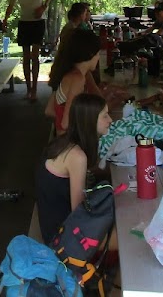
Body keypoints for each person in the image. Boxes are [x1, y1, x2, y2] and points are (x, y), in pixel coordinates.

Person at [35, 92, 113, 243]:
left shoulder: (65, 142)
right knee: (126, 237)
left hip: (54, 228)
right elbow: (79, 212)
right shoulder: (77, 156)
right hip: (61, 239)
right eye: (105, 116)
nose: (110, 120)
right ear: (89, 120)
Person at [3, 0, 53, 101]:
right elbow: (11, 3)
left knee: (35, 55)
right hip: (24, 22)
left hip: (38, 21)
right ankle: (28, 89)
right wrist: (5, 19)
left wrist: (44, 7)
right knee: (26, 57)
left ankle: (35, 89)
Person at [45, 28, 101, 135]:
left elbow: (49, 110)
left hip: (60, 140)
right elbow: (67, 123)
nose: (98, 57)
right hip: (69, 144)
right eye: (97, 53)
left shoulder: (68, 73)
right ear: (90, 54)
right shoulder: (77, 79)